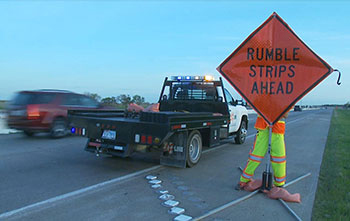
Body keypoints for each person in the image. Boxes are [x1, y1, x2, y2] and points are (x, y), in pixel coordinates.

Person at [237, 114, 287, 189]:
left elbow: (286, 114)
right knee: (255, 156)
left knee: (279, 158)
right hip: (263, 127)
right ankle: (244, 180)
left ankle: (279, 183)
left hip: (277, 128)